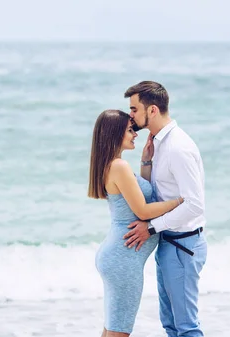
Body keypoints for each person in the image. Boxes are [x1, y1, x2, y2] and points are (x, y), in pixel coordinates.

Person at [88, 109, 184, 337]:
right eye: (130, 130)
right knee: (119, 331)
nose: (135, 134)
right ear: (114, 134)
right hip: (123, 259)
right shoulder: (118, 167)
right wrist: (180, 201)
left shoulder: (112, 165)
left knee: (113, 329)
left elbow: (142, 196)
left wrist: (146, 161)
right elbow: (142, 210)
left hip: (117, 256)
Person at [123, 81, 208, 337]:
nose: (130, 115)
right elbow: (157, 194)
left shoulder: (177, 147)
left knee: (186, 328)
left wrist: (150, 228)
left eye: (134, 109)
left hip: (183, 246)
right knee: (170, 326)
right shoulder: (159, 143)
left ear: (152, 110)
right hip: (169, 243)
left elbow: (194, 205)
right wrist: (146, 161)